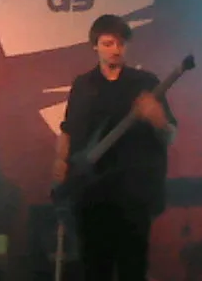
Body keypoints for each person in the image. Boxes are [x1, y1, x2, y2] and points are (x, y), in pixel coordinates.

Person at [53, 14, 178, 281]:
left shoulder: (145, 83)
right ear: (95, 46)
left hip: (133, 194)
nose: (115, 50)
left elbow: (170, 134)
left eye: (121, 43)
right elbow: (68, 129)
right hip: (91, 194)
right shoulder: (83, 85)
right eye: (108, 43)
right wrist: (61, 162)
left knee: (133, 269)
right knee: (94, 269)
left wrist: (157, 118)